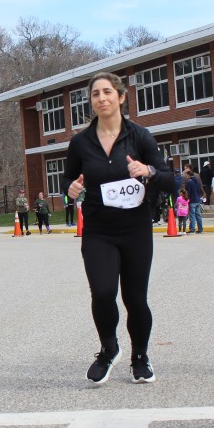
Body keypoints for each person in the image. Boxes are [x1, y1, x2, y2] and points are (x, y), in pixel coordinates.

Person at [63, 72, 174, 385]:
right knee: (102, 292)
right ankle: (109, 349)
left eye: (107, 92)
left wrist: (148, 170)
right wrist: (70, 189)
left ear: (121, 97)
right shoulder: (80, 142)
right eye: (95, 94)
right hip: (99, 229)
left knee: (135, 298)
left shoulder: (140, 136)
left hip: (135, 228)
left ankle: (140, 356)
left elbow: (169, 179)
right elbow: (67, 179)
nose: (101, 98)